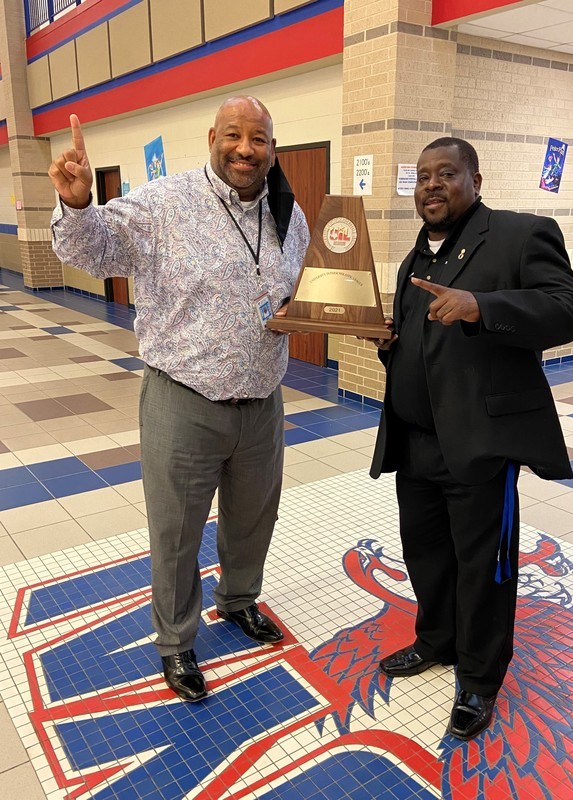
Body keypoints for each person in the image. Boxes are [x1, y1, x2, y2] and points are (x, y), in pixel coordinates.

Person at [48, 96, 310, 702]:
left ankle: (238, 599)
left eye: (260, 139)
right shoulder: (165, 203)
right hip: (184, 401)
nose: (246, 149)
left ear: (272, 148)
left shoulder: (287, 213)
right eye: (234, 136)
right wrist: (79, 205)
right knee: (177, 532)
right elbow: (92, 250)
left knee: (254, 518)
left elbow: (293, 285)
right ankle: (176, 641)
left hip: (262, 400)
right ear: (212, 138)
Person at [368, 137, 573, 740]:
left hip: (480, 443)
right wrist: (392, 347)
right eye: (422, 176)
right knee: (425, 553)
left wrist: (483, 306)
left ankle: (479, 677)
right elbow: (425, 344)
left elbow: (571, 311)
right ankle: (436, 640)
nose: (431, 185)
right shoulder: (415, 256)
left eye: (446, 173)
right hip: (415, 440)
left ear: (476, 180)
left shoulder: (521, 235)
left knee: (483, 566)